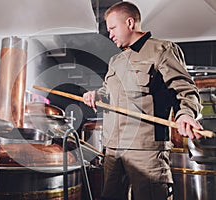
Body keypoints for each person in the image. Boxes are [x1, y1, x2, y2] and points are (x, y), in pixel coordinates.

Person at [82, 1, 203, 200]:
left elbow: (185, 89)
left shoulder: (162, 50)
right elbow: (108, 92)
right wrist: (96, 95)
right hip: (113, 148)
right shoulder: (116, 61)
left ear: (130, 23)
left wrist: (186, 114)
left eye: (112, 28)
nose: (110, 34)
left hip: (145, 150)